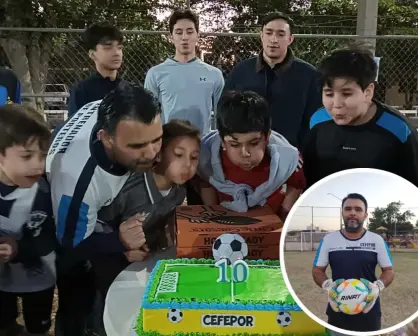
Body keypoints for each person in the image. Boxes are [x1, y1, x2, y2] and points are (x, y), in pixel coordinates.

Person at [46, 82, 163, 336]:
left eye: (157, 139)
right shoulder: (77, 185)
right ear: (106, 139)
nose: (152, 153)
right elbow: (70, 246)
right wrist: (118, 239)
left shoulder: (106, 108)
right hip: (63, 216)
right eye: (137, 147)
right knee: (76, 293)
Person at [97, 119, 201, 289]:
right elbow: (99, 226)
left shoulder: (179, 191)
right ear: (158, 154)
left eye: (194, 157)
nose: (188, 165)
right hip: (105, 264)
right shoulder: (129, 188)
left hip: (140, 266)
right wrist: (120, 249)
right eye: (179, 155)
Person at [303, 48, 418, 188]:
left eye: (346, 94)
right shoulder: (317, 120)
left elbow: (411, 189)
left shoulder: (398, 130)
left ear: (368, 92)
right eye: (329, 94)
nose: (336, 104)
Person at [144, 9, 224, 206]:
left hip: (202, 149)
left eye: (189, 31)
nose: (184, 37)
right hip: (170, 150)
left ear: (197, 34)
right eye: (179, 32)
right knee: (166, 206)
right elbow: (149, 117)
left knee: (202, 205)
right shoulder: (156, 74)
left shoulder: (214, 75)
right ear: (171, 37)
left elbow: (222, 116)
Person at [198, 90, 305, 222]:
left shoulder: (289, 159)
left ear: (267, 138)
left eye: (254, 143)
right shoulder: (205, 157)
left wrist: (282, 216)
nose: (245, 153)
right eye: (234, 145)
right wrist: (215, 218)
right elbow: (206, 184)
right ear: (222, 142)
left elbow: (295, 184)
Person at [224, 12, 321, 149]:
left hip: (293, 154)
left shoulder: (309, 75)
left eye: (281, 34)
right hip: (246, 153)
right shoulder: (241, 71)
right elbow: (225, 112)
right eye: (269, 33)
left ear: (290, 39)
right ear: (261, 36)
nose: (273, 39)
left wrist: (300, 151)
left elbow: (316, 120)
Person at [0, 104, 56, 336]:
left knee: (38, 326)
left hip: (40, 279)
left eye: (42, 156)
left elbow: (50, 236)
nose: (37, 164)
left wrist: (17, 247)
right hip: (2, 282)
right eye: (27, 156)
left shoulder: (46, 190)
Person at [313, 193, 394, 333]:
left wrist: (378, 287)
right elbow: (317, 270)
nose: (352, 213)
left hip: (369, 311)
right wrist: (328, 286)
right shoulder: (329, 240)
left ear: (365, 215)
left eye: (358, 209)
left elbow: (389, 270)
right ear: (342, 212)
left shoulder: (377, 240)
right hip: (337, 311)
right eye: (348, 209)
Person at [67, 22, 125, 118]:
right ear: (92, 54)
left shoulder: (130, 90)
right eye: (108, 47)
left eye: (119, 48)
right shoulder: (81, 91)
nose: (116, 53)